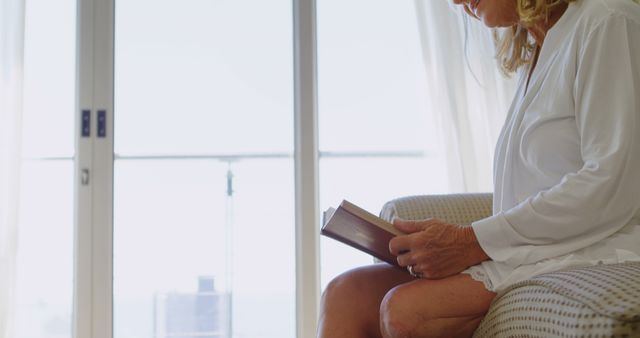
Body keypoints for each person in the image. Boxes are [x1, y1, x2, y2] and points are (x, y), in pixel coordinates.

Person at [316, 0, 640, 337]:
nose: (455, 1)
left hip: (590, 248)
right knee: (344, 295)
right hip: (527, 250)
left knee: (406, 309)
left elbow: (613, 184)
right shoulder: (543, 49)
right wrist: (457, 243)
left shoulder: (609, 21)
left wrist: (472, 241)